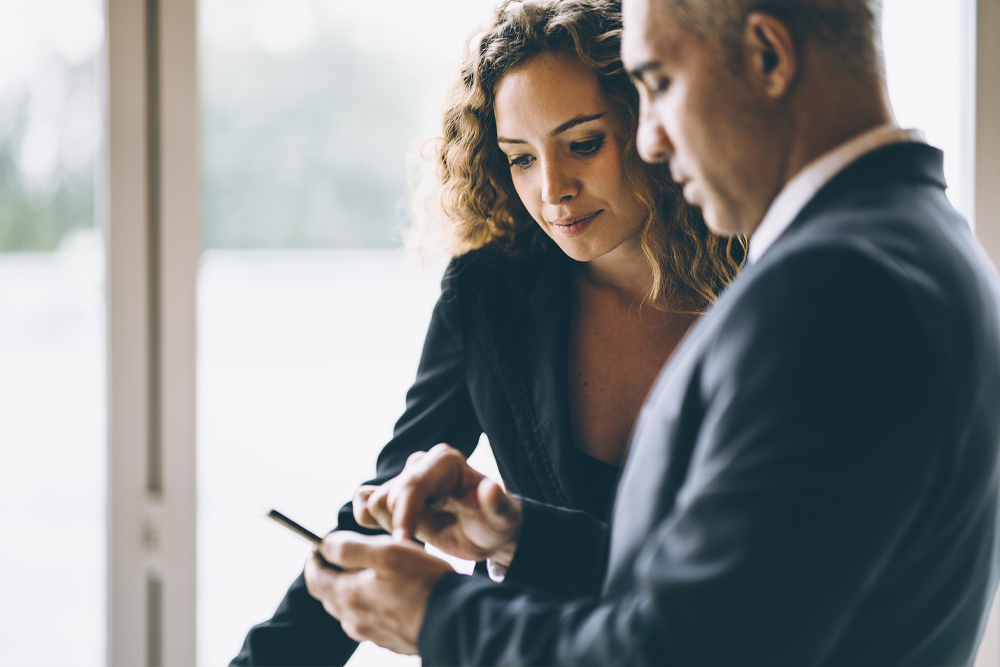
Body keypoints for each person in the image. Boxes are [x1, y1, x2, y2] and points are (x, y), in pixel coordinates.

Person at [302, 0, 1000, 664]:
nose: (653, 137)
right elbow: (760, 591)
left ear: (767, 56)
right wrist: (524, 535)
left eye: (659, 84)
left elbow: (687, 653)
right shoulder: (928, 244)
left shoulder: (826, 287)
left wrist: (437, 615)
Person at [232, 1, 741, 664]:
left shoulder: (754, 289)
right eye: (520, 159)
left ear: (653, 125)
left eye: (582, 143)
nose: (553, 189)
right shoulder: (492, 292)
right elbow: (391, 503)